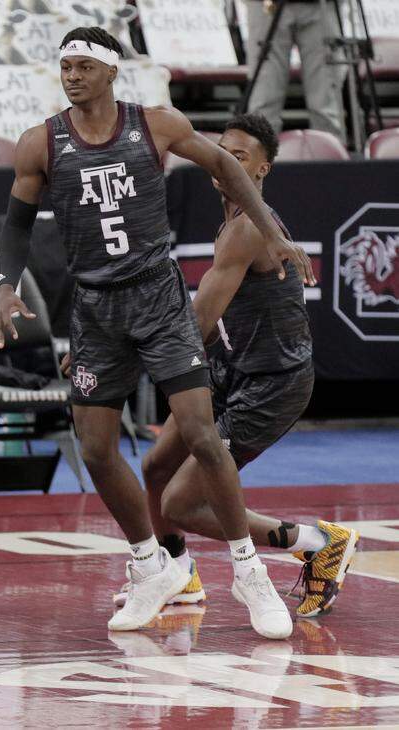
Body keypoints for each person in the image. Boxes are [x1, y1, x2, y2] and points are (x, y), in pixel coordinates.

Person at [0, 27, 316, 640]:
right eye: (66, 65)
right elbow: (17, 224)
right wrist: (6, 285)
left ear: (111, 72)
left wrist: (269, 230)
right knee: (94, 447)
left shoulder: (155, 124)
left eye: (84, 65)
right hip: (95, 308)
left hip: (156, 297)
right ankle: (150, 565)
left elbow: (222, 163)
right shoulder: (41, 143)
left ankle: (249, 572)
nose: (72, 74)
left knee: (198, 433)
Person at [113, 112, 358, 617]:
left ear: (263, 169)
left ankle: (318, 540)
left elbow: (197, 324)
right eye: (220, 151)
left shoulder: (248, 228)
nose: (224, 161)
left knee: (179, 503)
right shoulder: (230, 224)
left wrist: (119, 357)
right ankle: (178, 575)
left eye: (239, 156)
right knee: (156, 466)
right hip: (229, 374)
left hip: (272, 385)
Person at [244, 0, 346, 143]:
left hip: (322, 5)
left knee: (326, 105)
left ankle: (331, 159)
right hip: (265, 6)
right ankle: (258, 161)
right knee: (264, 100)